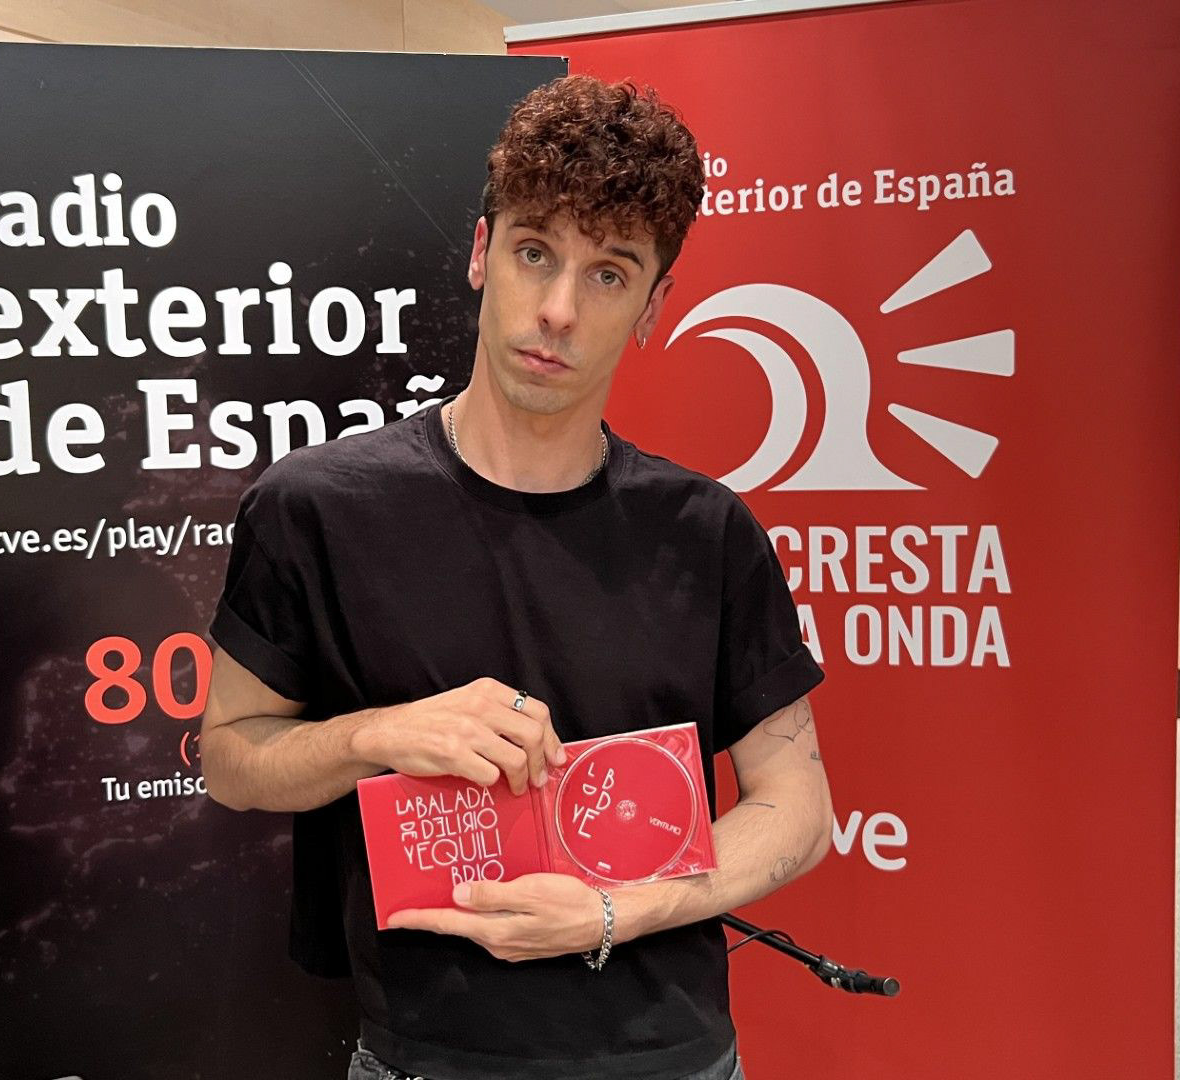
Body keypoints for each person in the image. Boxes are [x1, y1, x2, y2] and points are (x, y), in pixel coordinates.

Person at [201, 74, 831, 1080]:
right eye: (535, 252)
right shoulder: (316, 507)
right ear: (481, 251)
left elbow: (797, 807)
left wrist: (616, 911)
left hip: (673, 1058)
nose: (558, 310)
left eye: (609, 274)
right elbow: (230, 757)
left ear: (655, 306)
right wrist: (374, 735)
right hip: (424, 1056)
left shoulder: (706, 532)